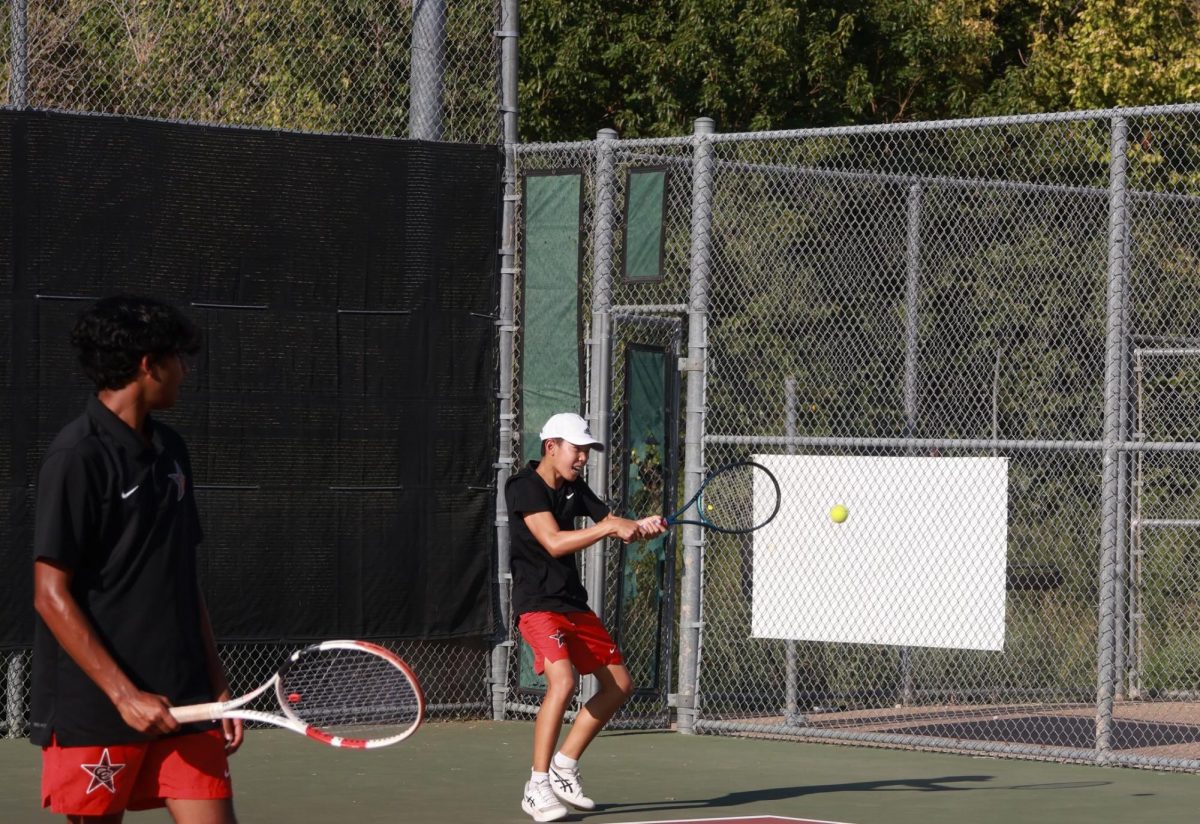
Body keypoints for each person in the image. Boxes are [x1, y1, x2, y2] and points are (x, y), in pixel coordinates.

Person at [30, 295, 241, 824]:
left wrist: (215, 683)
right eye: (178, 360)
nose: (185, 373)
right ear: (149, 365)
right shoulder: (76, 457)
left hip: (186, 697)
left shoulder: (172, 450)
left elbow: (182, 578)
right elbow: (49, 595)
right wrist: (124, 696)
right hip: (98, 708)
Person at [505, 412, 666, 822]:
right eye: (577, 449)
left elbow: (608, 521)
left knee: (619, 684)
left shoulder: (575, 486)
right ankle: (537, 785)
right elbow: (555, 542)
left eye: (586, 451)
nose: (582, 458)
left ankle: (564, 766)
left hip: (573, 603)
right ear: (551, 447)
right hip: (537, 605)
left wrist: (638, 526)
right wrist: (612, 529)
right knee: (564, 681)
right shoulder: (523, 487)